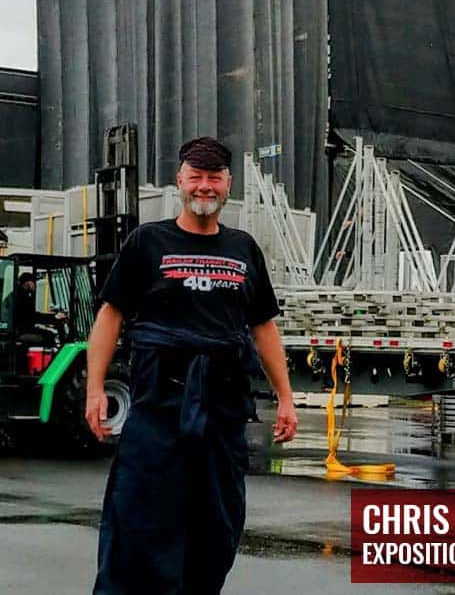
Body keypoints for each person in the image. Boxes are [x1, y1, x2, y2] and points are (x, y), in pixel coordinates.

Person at [86, 136, 298, 594]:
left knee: (215, 527)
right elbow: (110, 314)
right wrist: (95, 388)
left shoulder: (243, 249)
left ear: (228, 185)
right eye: (196, 177)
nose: (205, 187)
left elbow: (263, 326)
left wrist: (285, 397)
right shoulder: (148, 242)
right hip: (158, 411)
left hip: (221, 416)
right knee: (141, 524)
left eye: (214, 178)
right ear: (180, 181)